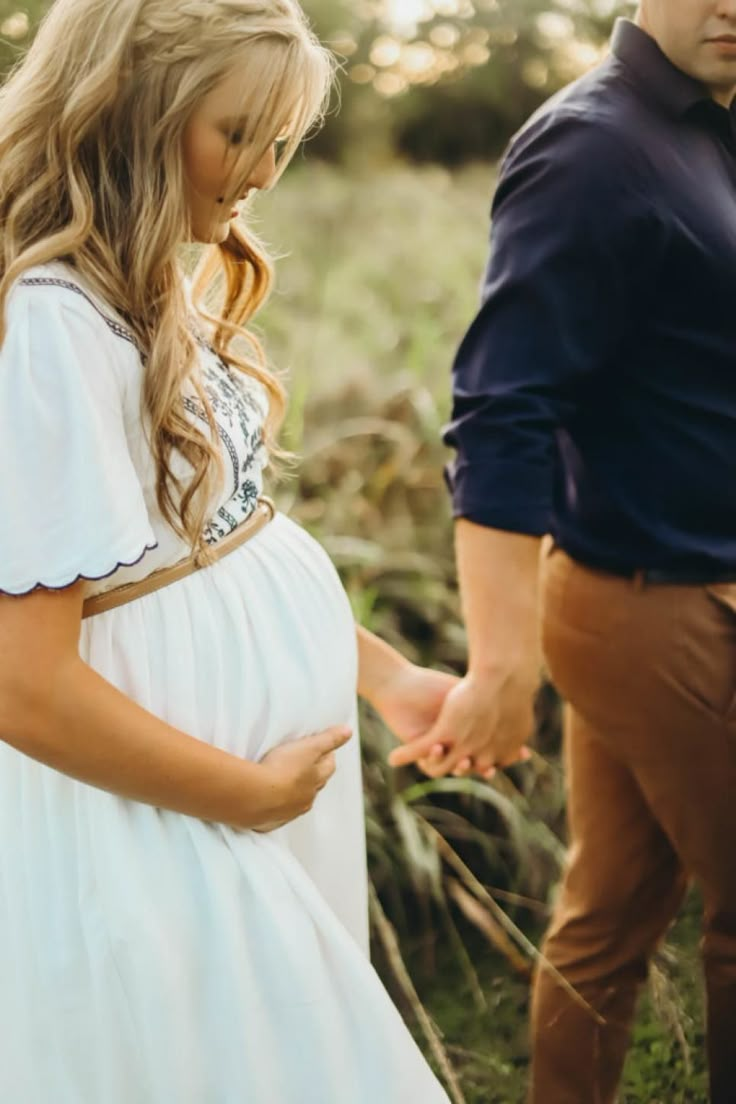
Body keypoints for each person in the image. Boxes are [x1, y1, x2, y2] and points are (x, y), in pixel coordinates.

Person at [0, 2, 456, 1100]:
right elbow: (20, 679)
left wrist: (385, 676)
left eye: (283, 141)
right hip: (163, 810)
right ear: (129, 116)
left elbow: (216, 543)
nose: (260, 174)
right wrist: (236, 797)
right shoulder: (51, 324)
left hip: (235, 793)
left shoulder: (146, 278)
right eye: (238, 133)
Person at [390, 2, 736, 1102]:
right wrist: (499, 667)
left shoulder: (700, 129)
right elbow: (502, 412)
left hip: (677, 580)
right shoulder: (593, 144)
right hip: (651, 601)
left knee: (610, 911)